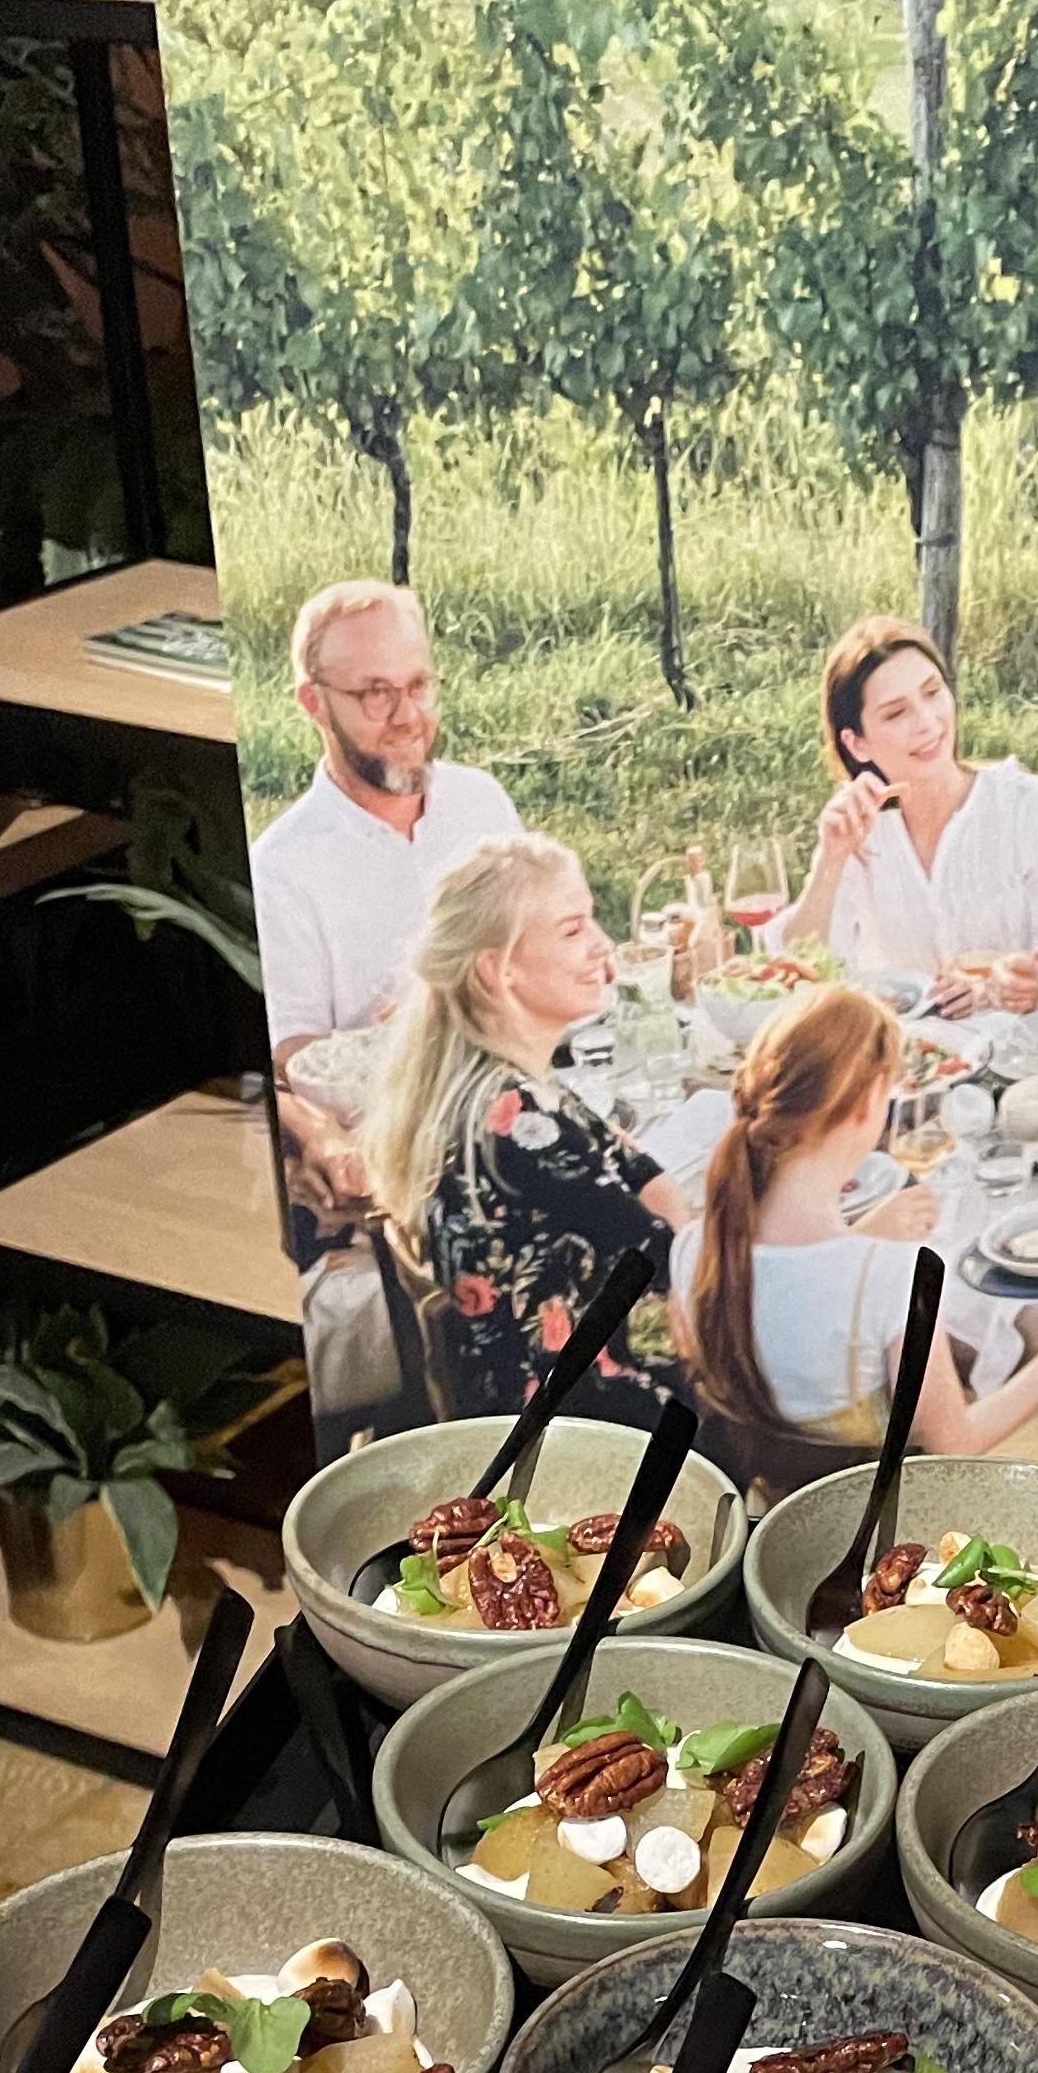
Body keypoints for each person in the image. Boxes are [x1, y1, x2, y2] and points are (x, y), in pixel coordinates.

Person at [250, 581, 519, 1438]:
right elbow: (287, 1061)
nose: (407, 716)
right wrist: (325, 1132)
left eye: (418, 684)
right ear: (312, 704)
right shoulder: (285, 868)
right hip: (404, 1161)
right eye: (374, 694)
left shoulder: (480, 805)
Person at [668, 984, 1038, 1473]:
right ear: (868, 1103)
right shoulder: (893, 1275)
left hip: (771, 1490)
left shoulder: (694, 1247)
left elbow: (787, 1311)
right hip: (887, 1502)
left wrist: (861, 1238)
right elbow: (953, 1442)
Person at [357, 834, 675, 1429]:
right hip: (571, 1419)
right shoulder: (517, 1121)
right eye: (573, 930)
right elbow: (675, 1258)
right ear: (498, 970)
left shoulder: (498, 1084)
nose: (603, 944)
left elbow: (641, 1175)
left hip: (548, 1385)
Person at [765, 618, 1038, 1011]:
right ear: (858, 744)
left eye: (932, 693)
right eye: (896, 713)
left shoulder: (1029, 807)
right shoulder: (859, 826)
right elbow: (800, 968)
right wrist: (831, 859)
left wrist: (1012, 990)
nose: (927, 722)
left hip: (1016, 1044)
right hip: (895, 1045)